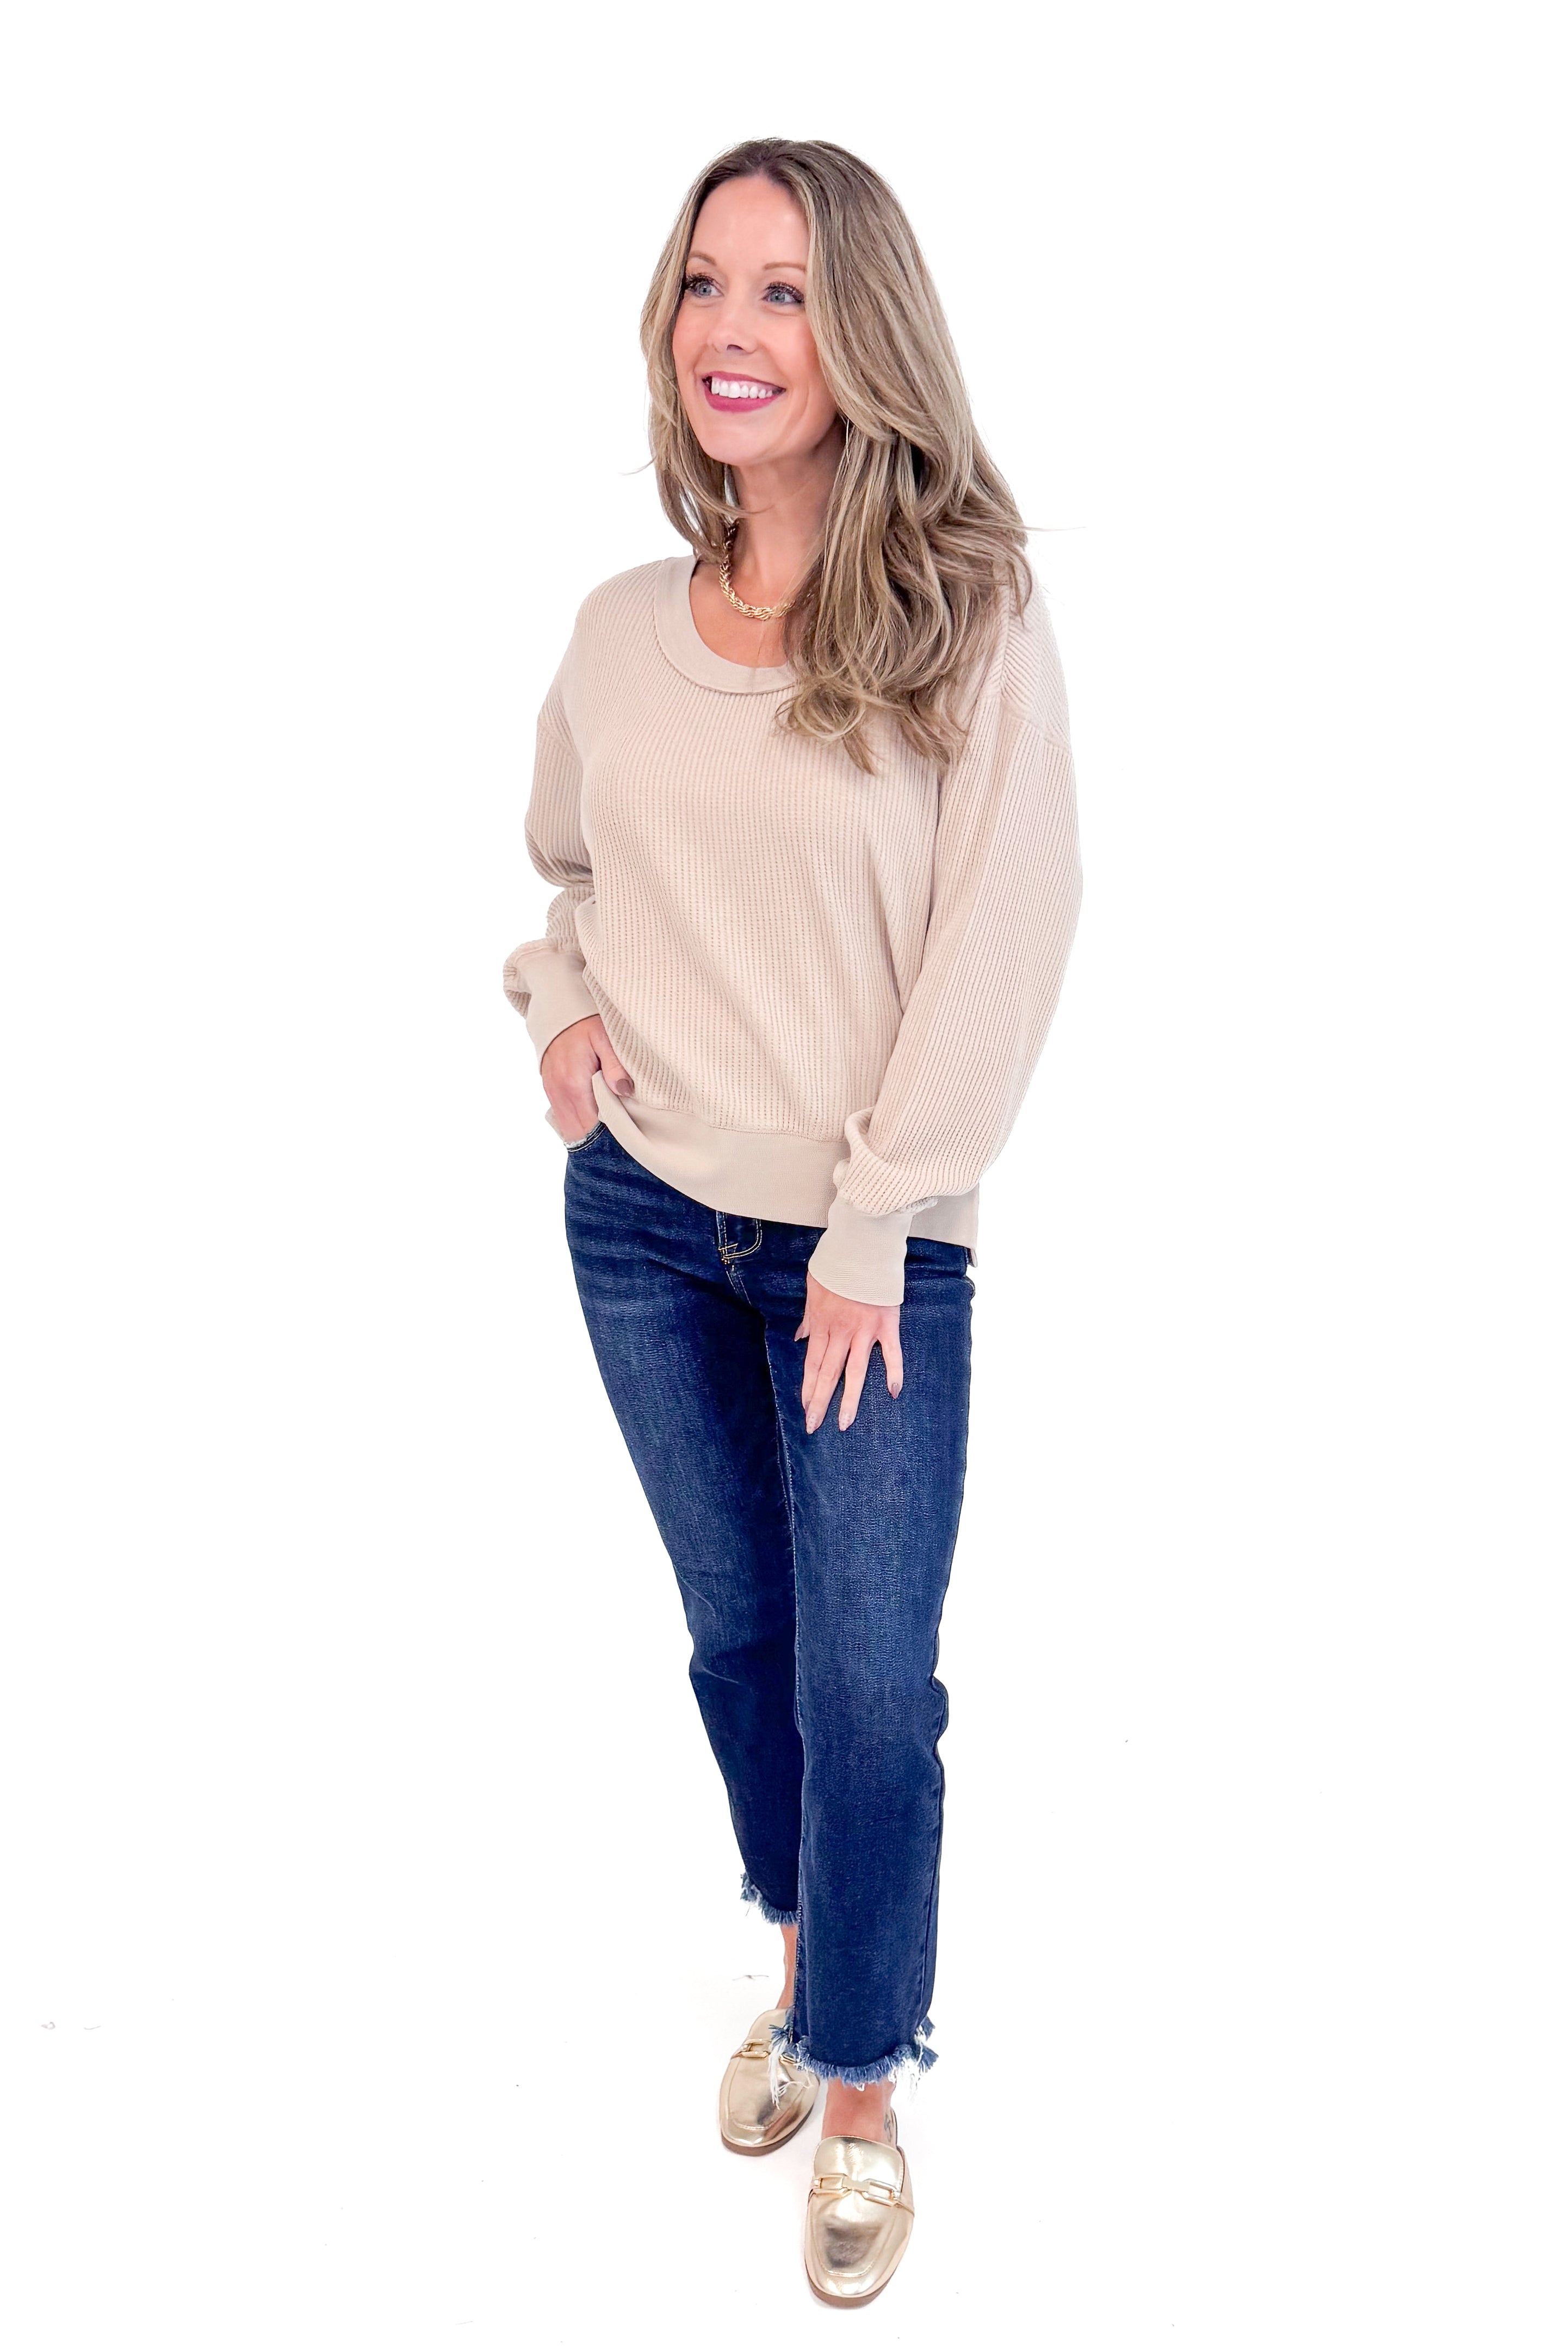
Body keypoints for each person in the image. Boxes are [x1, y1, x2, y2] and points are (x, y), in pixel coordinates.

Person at [503, 137, 1081, 2306]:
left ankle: (858, 2081)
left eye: (786, 293)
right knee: (740, 1649)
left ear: (865, 338)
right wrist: (556, 1016)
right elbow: (564, 884)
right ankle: (803, 1966)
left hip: (871, 1255)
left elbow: (1001, 939)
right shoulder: (616, 637)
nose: (735, 335)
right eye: (706, 289)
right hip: (648, 1228)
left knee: (866, 1690)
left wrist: (870, 1220)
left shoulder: (967, 617)